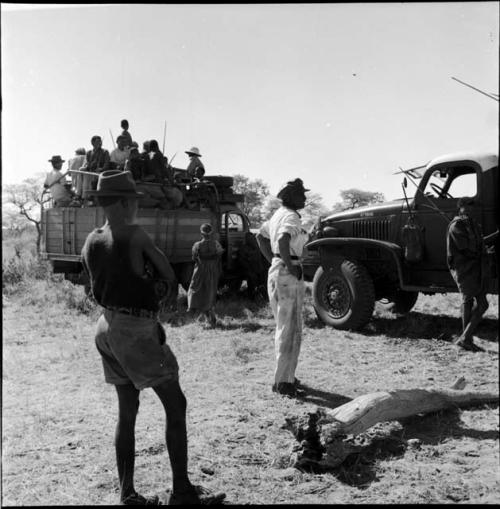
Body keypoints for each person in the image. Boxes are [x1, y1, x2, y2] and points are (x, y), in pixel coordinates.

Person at [81, 170, 225, 505]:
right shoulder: (135, 235)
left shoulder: (91, 239)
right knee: (176, 405)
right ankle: (183, 493)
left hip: (106, 327)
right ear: (123, 202)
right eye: (132, 200)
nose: (135, 206)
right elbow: (168, 274)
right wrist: (151, 292)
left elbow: (94, 288)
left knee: (127, 411)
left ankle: (127, 494)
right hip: (134, 330)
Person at [256, 178, 310, 397]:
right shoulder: (291, 216)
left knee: (283, 326)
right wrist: (289, 265)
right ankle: (283, 383)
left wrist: (274, 260)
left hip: (277, 270)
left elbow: (260, 237)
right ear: (291, 197)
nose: (304, 198)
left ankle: (285, 375)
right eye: (301, 195)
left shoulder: (277, 214)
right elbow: (283, 240)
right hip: (288, 272)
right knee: (290, 330)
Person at [446, 197, 495, 352]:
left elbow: (478, 243)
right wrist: (482, 252)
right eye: (468, 207)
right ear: (461, 208)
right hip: (464, 268)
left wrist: (488, 246)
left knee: (482, 304)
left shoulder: (473, 224)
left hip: (476, 267)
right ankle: (466, 339)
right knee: (467, 300)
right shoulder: (457, 225)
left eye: (473, 208)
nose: (471, 210)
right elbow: (465, 248)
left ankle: (465, 338)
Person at [187, 223, 224, 327]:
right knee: (209, 293)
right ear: (211, 233)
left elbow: (194, 258)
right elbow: (219, 255)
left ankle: (195, 313)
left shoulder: (197, 245)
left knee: (196, 291)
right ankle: (211, 319)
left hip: (199, 272)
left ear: (201, 233)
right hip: (212, 272)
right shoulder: (216, 244)